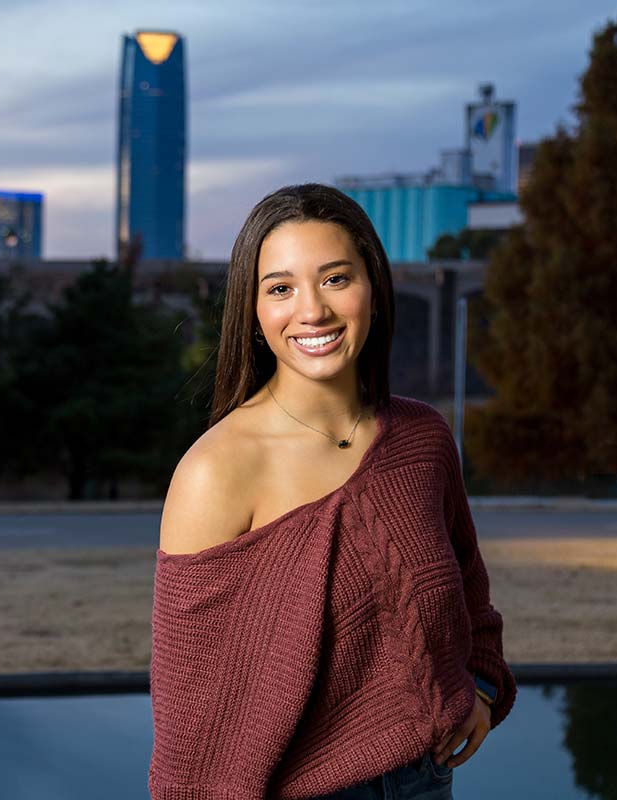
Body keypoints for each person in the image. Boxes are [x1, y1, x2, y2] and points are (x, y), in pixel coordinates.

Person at [148, 183, 516, 800]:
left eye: (336, 278)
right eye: (281, 288)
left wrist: (480, 685)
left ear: (373, 288)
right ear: (254, 313)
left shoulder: (422, 438)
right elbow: (192, 724)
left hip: (427, 781)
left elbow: (470, 590)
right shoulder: (216, 471)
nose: (312, 310)